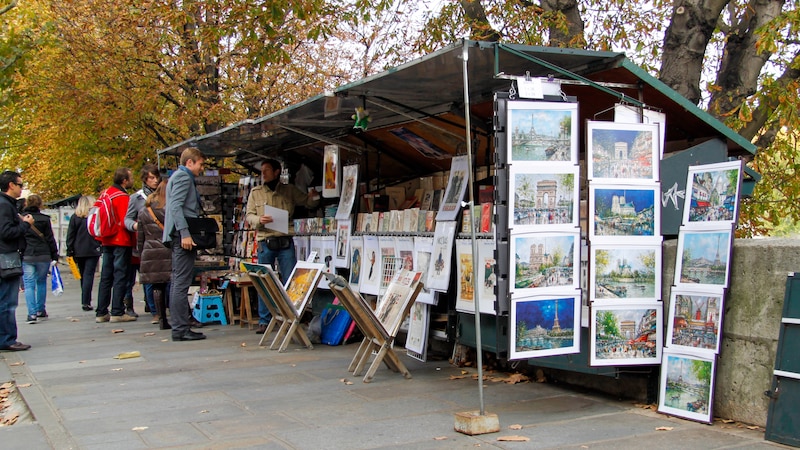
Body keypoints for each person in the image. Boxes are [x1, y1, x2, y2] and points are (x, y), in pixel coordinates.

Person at [245, 158, 319, 334]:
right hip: (266, 239)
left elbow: (309, 203)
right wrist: (259, 220)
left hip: (285, 240)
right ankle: (264, 320)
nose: (264, 174)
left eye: (267, 170)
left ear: (277, 172)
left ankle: (291, 317)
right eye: (262, 171)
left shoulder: (289, 190)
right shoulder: (256, 192)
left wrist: (314, 196)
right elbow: (249, 215)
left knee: (291, 281)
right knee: (264, 281)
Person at [163, 147, 206, 341]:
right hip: (182, 236)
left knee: (178, 281)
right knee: (180, 282)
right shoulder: (183, 177)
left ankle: (180, 327)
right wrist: (185, 233)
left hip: (179, 235)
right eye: (200, 164)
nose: (201, 168)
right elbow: (176, 206)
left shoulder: (178, 177)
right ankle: (180, 328)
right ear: (190, 162)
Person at [96, 168, 137, 323]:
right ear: (124, 181)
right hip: (121, 240)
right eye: (131, 177)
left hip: (106, 239)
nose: (132, 179)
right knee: (120, 275)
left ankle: (101, 311)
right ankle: (117, 311)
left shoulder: (105, 194)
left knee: (106, 276)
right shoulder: (123, 197)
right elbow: (127, 220)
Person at [0, 171, 34, 351]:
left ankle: (6, 337)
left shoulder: (6, 205)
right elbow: (6, 232)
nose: (22, 188)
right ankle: (7, 339)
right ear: (11, 185)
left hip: (6, 256)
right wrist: (25, 224)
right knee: (7, 301)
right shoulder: (5, 205)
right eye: (20, 184)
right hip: (6, 258)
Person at [124, 164, 160, 321]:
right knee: (149, 277)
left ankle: (158, 307)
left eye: (156, 177)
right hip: (146, 241)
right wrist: (134, 225)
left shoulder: (164, 195)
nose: (155, 180)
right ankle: (154, 310)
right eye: (151, 177)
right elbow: (127, 219)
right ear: (145, 179)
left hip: (162, 241)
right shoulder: (136, 198)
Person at [137, 179, 171, 330]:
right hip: (166, 250)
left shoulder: (145, 210)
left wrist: (141, 253)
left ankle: (160, 317)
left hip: (149, 250)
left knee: (157, 285)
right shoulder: (168, 209)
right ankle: (177, 315)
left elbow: (140, 236)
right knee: (173, 284)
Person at [20, 194, 59, 324]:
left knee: (29, 284)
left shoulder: (22, 219)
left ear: (27, 204)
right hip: (44, 254)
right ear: (40, 205)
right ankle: (40, 309)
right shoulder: (45, 219)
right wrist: (54, 255)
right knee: (41, 282)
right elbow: (50, 238)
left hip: (28, 254)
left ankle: (31, 314)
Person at [66, 195, 102, 311]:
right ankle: (86, 301)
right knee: (89, 275)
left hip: (78, 250)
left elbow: (70, 235)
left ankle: (85, 299)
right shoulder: (94, 217)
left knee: (83, 275)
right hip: (92, 249)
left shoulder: (75, 218)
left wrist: (70, 250)